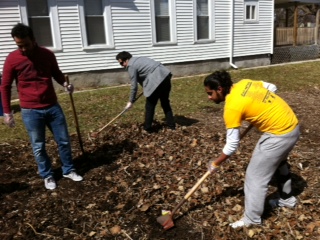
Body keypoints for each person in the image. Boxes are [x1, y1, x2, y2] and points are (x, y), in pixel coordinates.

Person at [204, 70, 300, 228]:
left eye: (210, 93)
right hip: (292, 125)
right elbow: (272, 87)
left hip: (279, 134)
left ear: (219, 89)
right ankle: (287, 199)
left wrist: (215, 163)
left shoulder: (232, 107)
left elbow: (232, 145)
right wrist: (257, 108)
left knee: (254, 177)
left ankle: (252, 220)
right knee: (279, 162)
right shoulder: (244, 83)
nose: (209, 97)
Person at [1, 23, 83, 190]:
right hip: (30, 110)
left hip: (52, 106)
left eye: (26, 45)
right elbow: (5, 86)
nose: (23, 49)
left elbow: (56, 73)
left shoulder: (46, 54)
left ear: (34, 40)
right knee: (38, 145)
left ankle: (68, 170)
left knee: (64, 141)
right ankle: (47, 175)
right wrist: (7, 112)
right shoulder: (12, 59)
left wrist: (65, 84)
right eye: (19, 46)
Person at [116, 51, 175, 132]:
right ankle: (172, 126)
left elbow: (134, 85)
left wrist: (130, 101)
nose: (122, 66)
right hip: (165, 75)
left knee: (150, 106)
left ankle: (148, 129)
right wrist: (146, 87)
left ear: (126, 60)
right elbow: (145, 74)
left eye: (122, 63)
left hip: (157, 79)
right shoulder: (140, 59)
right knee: (165, 102)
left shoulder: (131, 66)